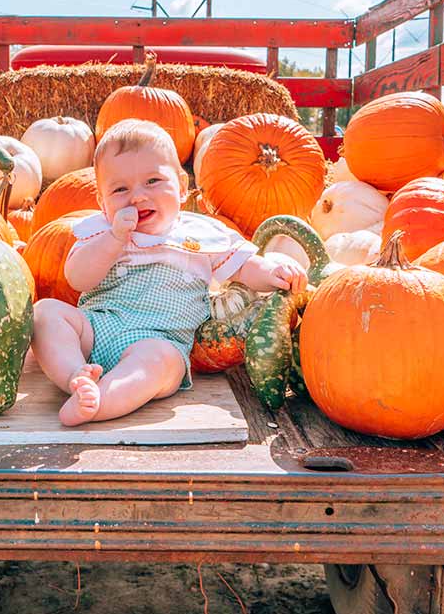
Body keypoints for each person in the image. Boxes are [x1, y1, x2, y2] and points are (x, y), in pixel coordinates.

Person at [31, 119, 308, 426]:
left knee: (160, 365)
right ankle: (75, 375)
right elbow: (78, 278)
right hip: (94, 330)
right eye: (120, 189)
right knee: (46, 313)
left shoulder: (202, 234)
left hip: (158, 341)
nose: (137, 196)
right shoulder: (101, 233)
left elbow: (243, 266)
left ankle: (100, 401)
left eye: (152, 181)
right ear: (102, 202)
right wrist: (114, 240)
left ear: (182, 187)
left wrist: (272, 270)